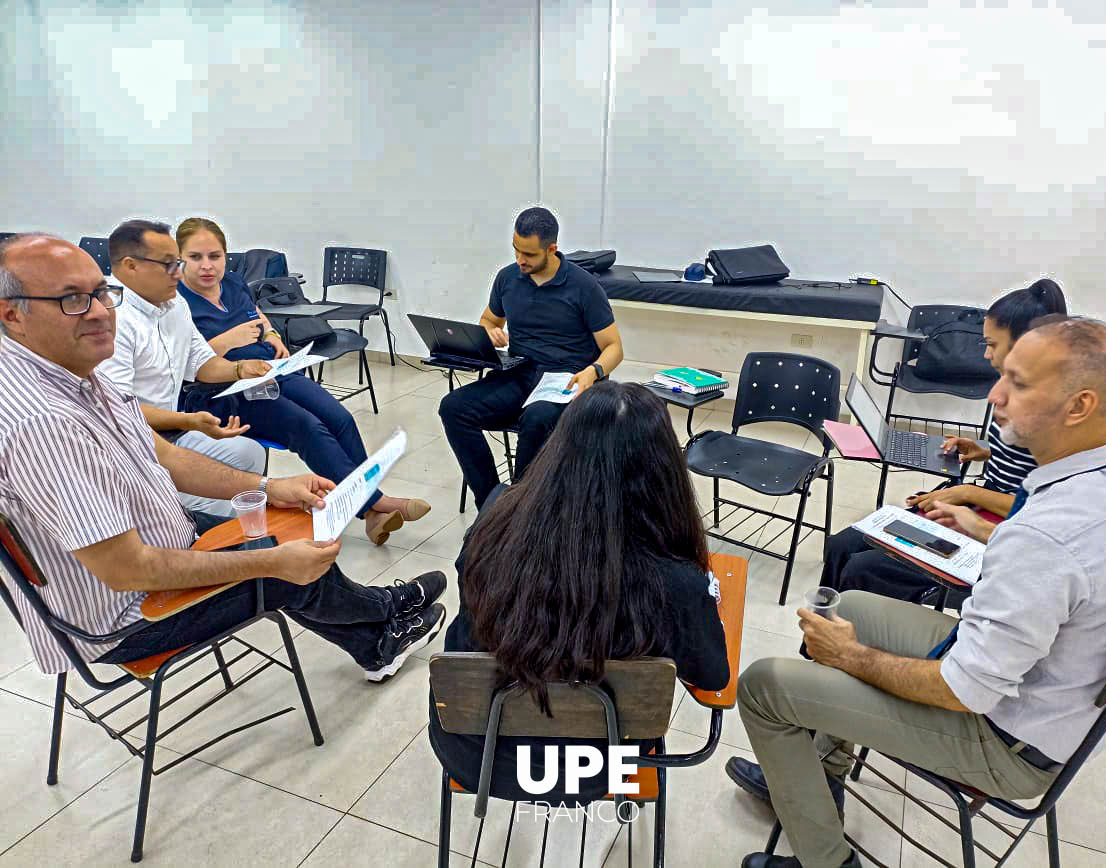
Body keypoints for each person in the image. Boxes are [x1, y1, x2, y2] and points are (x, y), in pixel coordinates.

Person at [732, 316, 1106, 868]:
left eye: (1019, 384)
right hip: (1043, 690)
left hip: (1006, 741)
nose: (996, 396)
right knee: (854, 604)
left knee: (764, 685)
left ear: (1079, 406)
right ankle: (820, 776)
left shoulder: (1046, 536)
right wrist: (983, 529)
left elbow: (965, 691)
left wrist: (853, 658)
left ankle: (828, 861)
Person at [0, 234, 445, 681]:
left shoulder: (77, 371)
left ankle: (378, 639)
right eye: (73, 300)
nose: (99, 311)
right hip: (128, 614)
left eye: (101, 293)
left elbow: (164, 456)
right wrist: (269, 564)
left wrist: (270, 487)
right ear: (12, 314)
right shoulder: (40, 422)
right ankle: (384, 611)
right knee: (280, 563)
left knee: (278, 533)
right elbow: (128, 569)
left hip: (162, 539)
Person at [429, 381, 728, 803]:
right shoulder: (675, 582)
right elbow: (713, 676)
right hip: (596, 769)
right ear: (664, 470)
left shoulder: (494, 518)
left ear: (559, 448)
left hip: (476, 752)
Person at [172, 217, 429, 545]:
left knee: (340, 418)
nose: (207, 266)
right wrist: (230, 340)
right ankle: (375, 503)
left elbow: (256, 313)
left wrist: (271, 332)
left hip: (270, 370)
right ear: (180, 259)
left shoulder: (233, 283)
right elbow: (186, 364)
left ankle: (370, 511)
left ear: (225, 255)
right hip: (224, 391)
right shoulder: (176, 303)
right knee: (307, 427)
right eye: (196, 258)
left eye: (215, 256)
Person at [818, 279, 1067, 601]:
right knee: (842, 544)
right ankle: (820, 640)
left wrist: (964, 492)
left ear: (1025, 345)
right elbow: (1025, 463)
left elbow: (1039, 508)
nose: (986, 354)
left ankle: (854, 633)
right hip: (977, 500)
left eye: (992, 344)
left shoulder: (1053, 415)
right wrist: (986, 452)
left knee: (863, 567)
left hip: (995, 521)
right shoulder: (1013, 389)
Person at [438, 207, 624, 510]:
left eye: (529, 254)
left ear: (551, 249)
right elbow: (489, 319)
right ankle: (492, 504)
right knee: (453, 408)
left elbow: (614, 347)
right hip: (520, 372)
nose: (520, 260)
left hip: (566, 377)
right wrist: (489, 330)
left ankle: (523, 508)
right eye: (515, 250)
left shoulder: (583, 286)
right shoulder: (508, 278)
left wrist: (593, 372)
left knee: (536, 418)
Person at [98, 219, 268, 517]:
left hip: (170, 431)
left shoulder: (175, 304)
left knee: (250, 454)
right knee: (218, 503)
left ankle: (231, 539)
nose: (179, 272)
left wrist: (241, 368)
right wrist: (187, 420)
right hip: (129, 443)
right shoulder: (112, 319)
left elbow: (201, 362)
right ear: (130, 266)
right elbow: (118, 411)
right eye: (168, 264)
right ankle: (194, 537)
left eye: (177, 262)